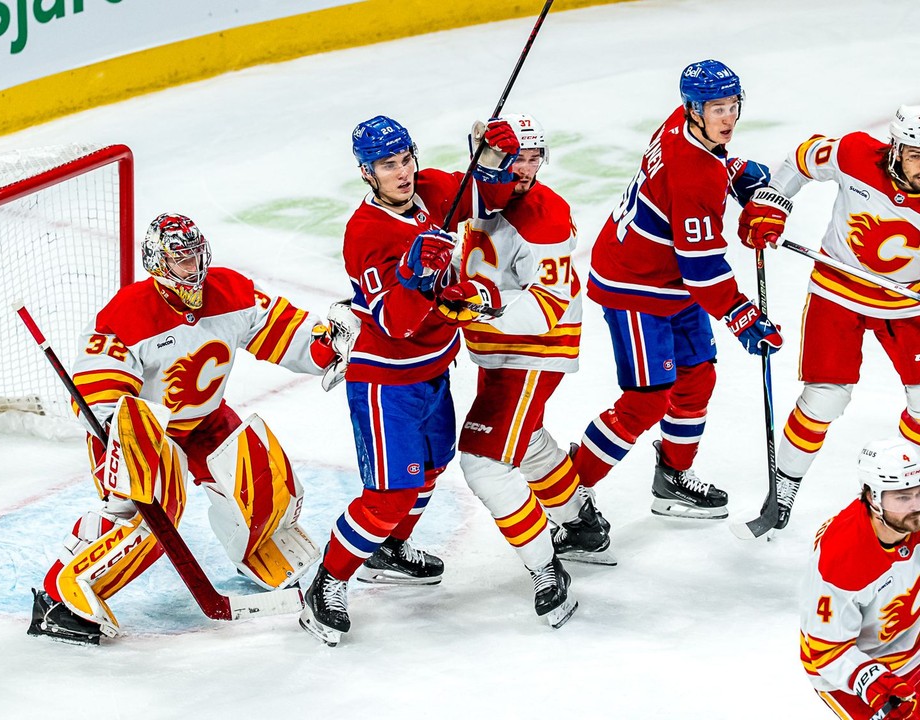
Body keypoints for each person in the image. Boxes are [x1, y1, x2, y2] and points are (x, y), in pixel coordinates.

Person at [27, 213, 357, 644]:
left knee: (267, 483)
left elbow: (278, 329)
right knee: (141, 521)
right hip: (142, 433)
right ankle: (60, 597)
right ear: (158, 262)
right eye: (181, 259)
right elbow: (99, 381)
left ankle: (257, 551)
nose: (193, 267)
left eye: (196, 255)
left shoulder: (229, 291)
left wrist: (324, 344)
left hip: (205, 420)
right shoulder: (129, 312)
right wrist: (116, 427)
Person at [298, 115, 518, 646]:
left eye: (405, 160)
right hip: (385, 381)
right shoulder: (366, 232)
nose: (402, 173)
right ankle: (326, 583)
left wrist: (493, 160)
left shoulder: (432, 188)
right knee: (388, 495)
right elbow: (395, 324)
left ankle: (388, 550)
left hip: (434, 367)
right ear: (367, 173)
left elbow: (489, 199)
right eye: (388, 166)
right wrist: (413, 276)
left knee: (431, 467)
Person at [571, 59, 783, 519]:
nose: (728, 118)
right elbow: (703, 268)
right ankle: (567, 494)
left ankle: (672, 478)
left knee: (697, 376)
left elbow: (709, 168)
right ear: (693, 109)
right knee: (647, 399)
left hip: (670, 278)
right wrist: (742, 316)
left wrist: (735, 171)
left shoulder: (682, 125)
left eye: (733, 105)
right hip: (634, 283)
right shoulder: (694, 176)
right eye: (717, 109)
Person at [437, 113, 612, 629]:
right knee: (526, 437)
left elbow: (548, 305)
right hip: (499, 347)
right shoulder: (476, 197)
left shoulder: (544, 214)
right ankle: (581, 524)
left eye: (535, 158)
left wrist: (477, 308)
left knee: (484, 461)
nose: (527, 169)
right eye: (517, 158)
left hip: (532, 349)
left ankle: (545, 568)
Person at [738, 105, 920, 530]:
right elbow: (800, 159)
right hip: (839, 291)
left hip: (907, 304)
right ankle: (782, 490)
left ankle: (908, 490)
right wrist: (772, 202)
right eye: (916, 156)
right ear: (895, 149)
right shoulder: (854, 154)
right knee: (825, 398)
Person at [799, 438, 920, 720]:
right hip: (849, 671)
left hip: (910, 645)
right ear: (873, 498)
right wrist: (874, 682)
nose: (916, 506)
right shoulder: (843, 557)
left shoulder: (911, 522)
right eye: (902, 498)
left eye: (919, 493)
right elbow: (827, 651)